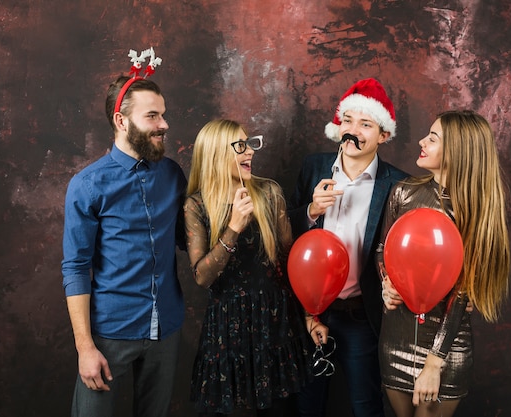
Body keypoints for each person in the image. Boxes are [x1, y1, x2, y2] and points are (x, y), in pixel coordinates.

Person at [61, 69, 187, 417]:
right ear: (121, 120)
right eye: (152, 116)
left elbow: (188, 241)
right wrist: (85, 348)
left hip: (167, 328)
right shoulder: (88, 185)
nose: (164, 124)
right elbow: (74, 268)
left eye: (163, 114)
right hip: (109, 333)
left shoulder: (173, 174)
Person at [376, 110, 511, 417]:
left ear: (457, 151)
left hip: (443, 348)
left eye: (433, 138)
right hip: (395, 337)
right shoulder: (404, 191)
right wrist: (386, 281)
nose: (422, 141)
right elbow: (383, 250)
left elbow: (463, 294)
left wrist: (434, 362)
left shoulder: (475, 211)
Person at [289, 78, 410, 417]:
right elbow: (285, 231)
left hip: (362, 316)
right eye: (348, 121)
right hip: (312, 313)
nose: (353, 131)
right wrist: (312, 210)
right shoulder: (313, 167)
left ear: (383, 135)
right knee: (307, 405)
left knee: (365, 406)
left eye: (365, 124)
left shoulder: (398, 184)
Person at [184, 119, 311, 417]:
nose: (250, 152)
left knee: (280, 410)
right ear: (216, 153)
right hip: (228, 329)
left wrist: (310, 315)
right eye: (239, 146)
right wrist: (233, 228)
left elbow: (289, 261)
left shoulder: (269, 193)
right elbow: (202, 276)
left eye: (250, 144)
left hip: (275, 323)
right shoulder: (196, 206)